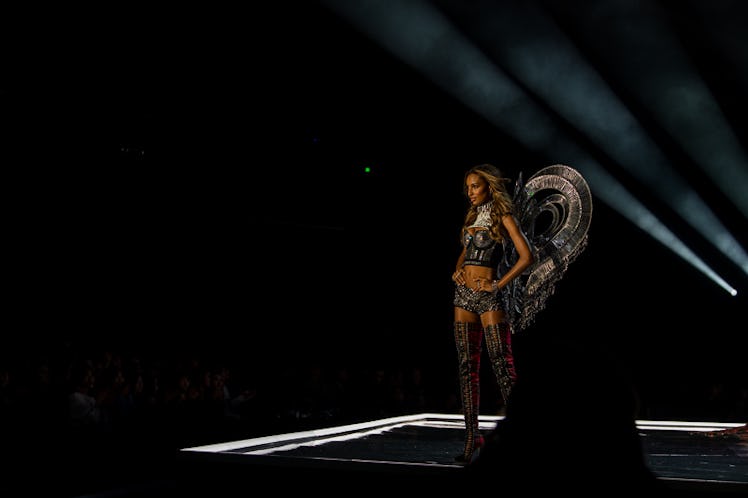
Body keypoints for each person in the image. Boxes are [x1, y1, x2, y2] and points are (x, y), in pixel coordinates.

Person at [451, 163, 535, 464]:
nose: (469, 192)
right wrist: (457, 271)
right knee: (466, 368)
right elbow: (465, 251)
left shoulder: (502, 216)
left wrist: (498, 284)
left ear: (489, 187)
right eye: (468, 186)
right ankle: (472, 437)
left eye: (475, 186)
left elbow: (527, 256)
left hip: (489, 297)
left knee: (503, 367)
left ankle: (522, 435)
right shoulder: (471, 217)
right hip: (463, 297)